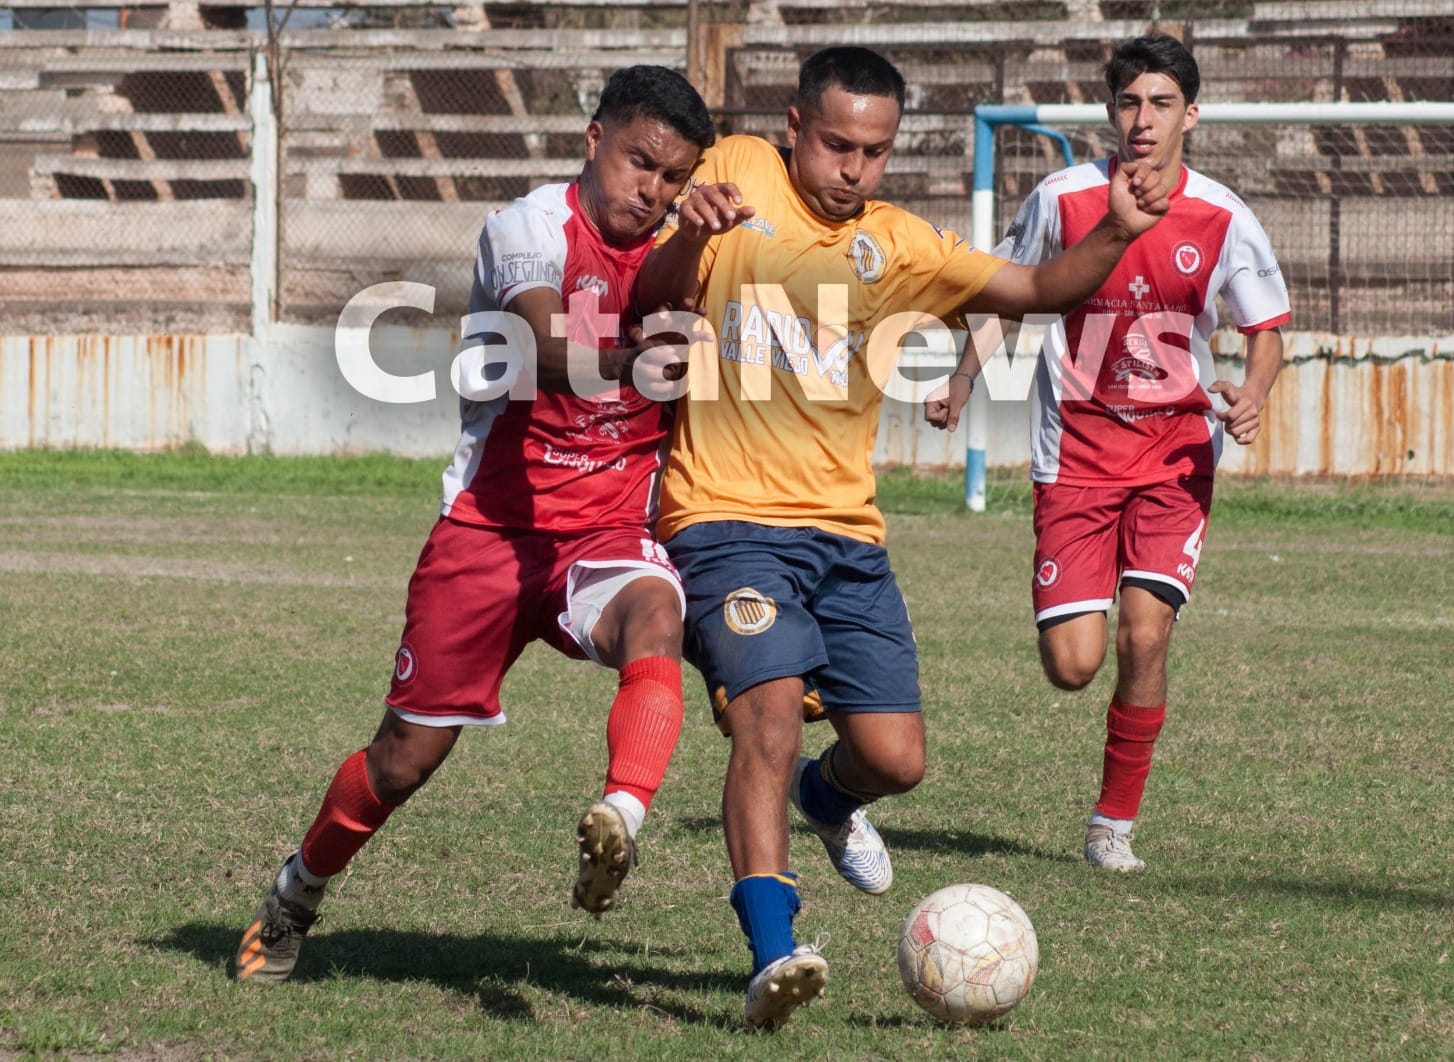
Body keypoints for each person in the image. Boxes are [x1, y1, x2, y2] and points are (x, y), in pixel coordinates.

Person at [633, 45, 1175, 1029]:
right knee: (761, 716)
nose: (853, 168)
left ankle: (828, 798)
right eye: (837, 144)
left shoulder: (900, 244)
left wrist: (1115, 235)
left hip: (846, 537)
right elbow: (644, 296)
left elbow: (1036, 290)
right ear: (793, 125)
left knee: (894, 760)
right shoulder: (735, 172)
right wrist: (683, 234)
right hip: (720, 520)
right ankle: (773, 948)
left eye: (874, 152)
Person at [233, 65, 715, 985]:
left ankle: (621, 817)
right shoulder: (528, 228)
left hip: (603, 531)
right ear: (593, 138)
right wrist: (641, 355)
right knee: (405, 760)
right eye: (638, 163)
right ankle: (297, 892)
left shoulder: (678, 243)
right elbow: (541, 348)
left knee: (659, 616)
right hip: (489, 532)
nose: (650, 192)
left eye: (672, 180)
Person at [925, 33, 1290, 873]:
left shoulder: (1225, 216)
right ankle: (1104, 787)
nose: (1143, 120)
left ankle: (1112, 826)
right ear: (1108, 111)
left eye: (1161, 104)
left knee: (1146, 634)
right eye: (1129, 102)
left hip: (1175, 457)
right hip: (1076, 459)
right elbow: (1003, 297)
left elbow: (1267, 326)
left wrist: (1255, 393)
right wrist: (963, 378)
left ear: (1190, 115)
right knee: (1072, 664)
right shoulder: (1061, 199)